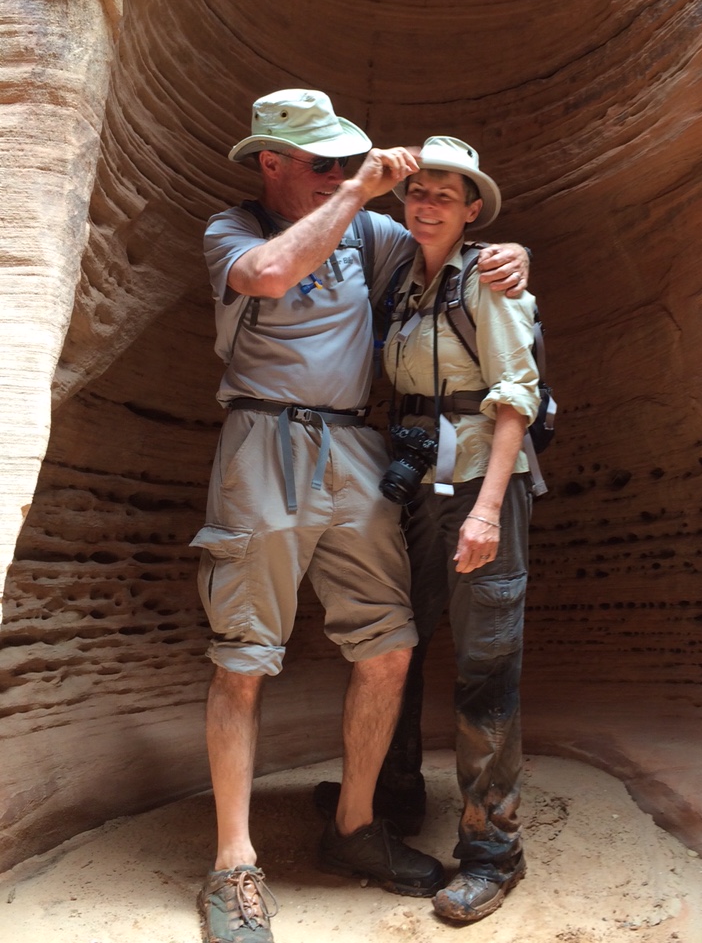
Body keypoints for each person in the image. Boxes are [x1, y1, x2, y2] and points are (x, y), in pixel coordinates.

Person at [192, 91, 529, 943]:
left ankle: (353, 829)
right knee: (243, 657)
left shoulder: (373, 233)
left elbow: (444, 245)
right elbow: (270, 275)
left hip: (353, 445)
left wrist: (509, 254)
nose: (340, 174)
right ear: (272, 162)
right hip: (263, 438)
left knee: (389, 648)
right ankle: (234, 865)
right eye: (322, 163)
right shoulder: (233, 230)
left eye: (346, 162)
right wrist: (356, 191)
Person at [381, 136, 541, 923]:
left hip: (482, 486)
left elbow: (517, 396)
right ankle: (396, 798)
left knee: (486, 666)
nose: (428, 204)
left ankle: (491, 852)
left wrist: (485, 510)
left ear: (472, 209)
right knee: (399, 647)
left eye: (446, 195)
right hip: (419, 487)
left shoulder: (490, 278)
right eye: (420, 191)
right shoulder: (401, 280)